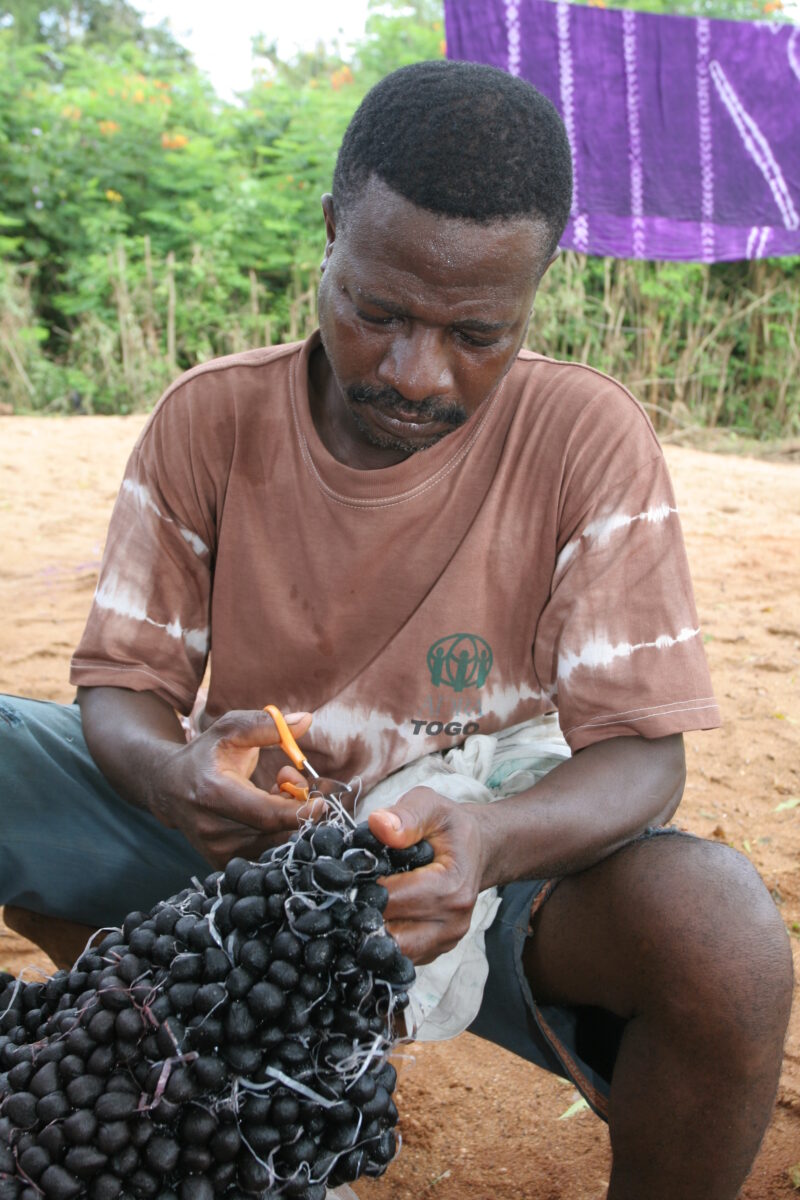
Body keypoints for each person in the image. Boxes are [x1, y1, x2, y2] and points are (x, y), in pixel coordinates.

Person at [0, 60, 792, 1200]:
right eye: (376, 312)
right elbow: (123, 686)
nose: (416, 373)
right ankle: (192, 1070)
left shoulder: (584, 439)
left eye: (477, 332)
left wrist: (487, 843)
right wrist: (176, 773)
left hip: (482, 863)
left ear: (536, 287)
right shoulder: (210, 419)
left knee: (721, 936)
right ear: (328, 233)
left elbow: (641, 760)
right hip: (236, 846)